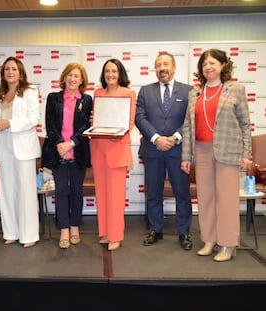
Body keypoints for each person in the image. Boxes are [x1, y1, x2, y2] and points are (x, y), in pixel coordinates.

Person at [181, 48, 251, 262]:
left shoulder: (235, 89)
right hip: (201, 150)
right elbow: (187, 127)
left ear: (223, 66)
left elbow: (245, 124)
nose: (208, 67)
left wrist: (246, 154)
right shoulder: (194, 93)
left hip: (228, 151)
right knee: (206, 198)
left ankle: (228, 244)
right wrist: (186, 156)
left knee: (227, 200)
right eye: (204, 64)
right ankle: (209, 240)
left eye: (212, 63)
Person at [135, 52, 194, 251]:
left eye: (166, 64)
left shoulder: (189, 91)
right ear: (155, 69)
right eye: (159, 65)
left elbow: (190, 119)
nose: (162, 68)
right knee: (153, 193)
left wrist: (175, 137)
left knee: (182, 193)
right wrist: (156, 138)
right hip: (153, 149)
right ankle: (155, 229)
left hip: (178, 151)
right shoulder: (145, 91)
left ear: (174, 67)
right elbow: (140, 117)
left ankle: (184, 232)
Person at [41, 62, 93, 249]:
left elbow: (86, 127)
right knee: (62, 191)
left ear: (81, 80)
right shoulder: (53, 98)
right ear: (64, 77)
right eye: (70, 75)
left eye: (76, 76)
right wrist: (60, 145)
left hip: (77, 151)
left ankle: (75, 228)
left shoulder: (86, 100)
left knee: (77, 191)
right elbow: (50, 125)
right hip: (57, 152)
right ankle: (63, 230)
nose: (72, 79)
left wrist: (71, 143)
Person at [90, 58, 136, 251]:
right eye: (107, 71)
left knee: (116, 195)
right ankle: (105, 232)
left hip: (117, 147)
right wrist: (94, 119)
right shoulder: (98, 93)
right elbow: (96, 118)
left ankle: (116, 235)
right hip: (99, 147)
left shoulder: (129, 93)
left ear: (120, 74)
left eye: (114, 71)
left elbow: (130, 121)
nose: (110, 75)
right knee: (101, 193)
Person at [0, 56, 41, 248]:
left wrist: (9, 124)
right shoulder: (1, 94)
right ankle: (11, 232)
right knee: (7, 190)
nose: (10, 72)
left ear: (20, 72)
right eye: (7, 69)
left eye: (13, 69)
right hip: (4, 145)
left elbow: (33, 119)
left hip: (23, 147)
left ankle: (28, 234)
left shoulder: (30, 91)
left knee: (26, 192)